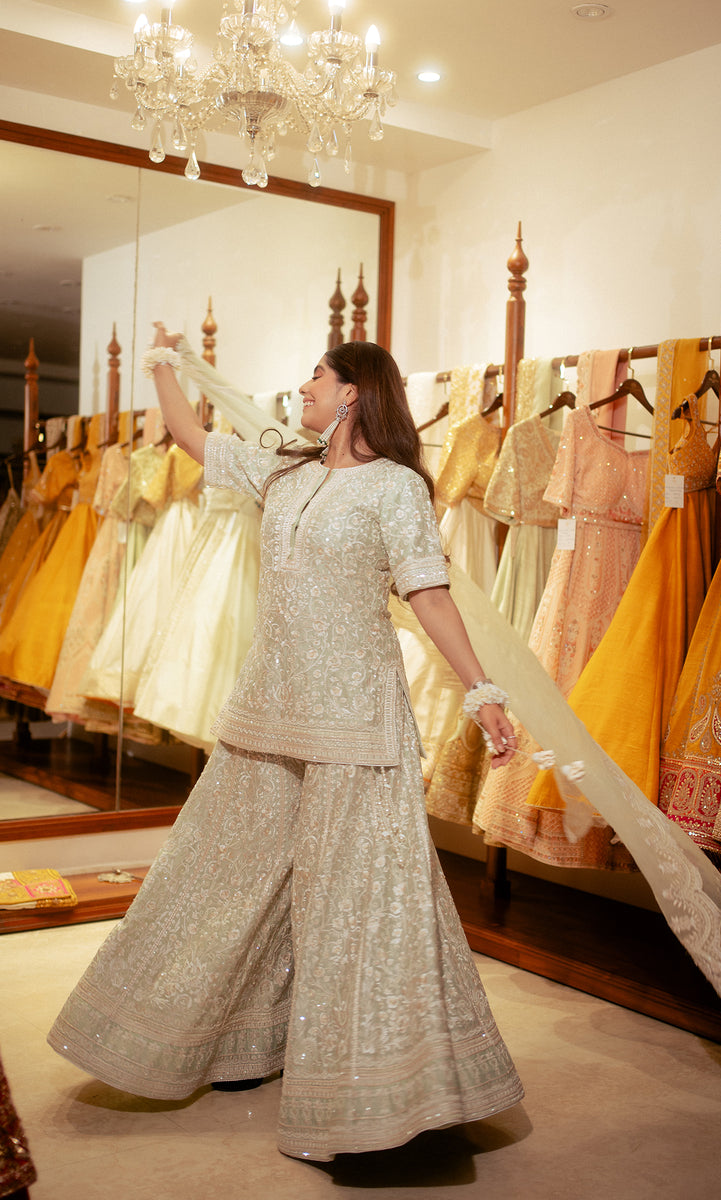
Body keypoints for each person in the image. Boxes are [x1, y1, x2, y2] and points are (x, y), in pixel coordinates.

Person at [48, 325, 524, 1163]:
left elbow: (431, 594)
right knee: (223, 870)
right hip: (267, 708)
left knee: (359, 905)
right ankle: (238, 1036)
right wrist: (165, 366)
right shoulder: (286, 470)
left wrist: (481, 691)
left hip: (353, 719)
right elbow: (196, 441)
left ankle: (390, 1102)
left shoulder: (396, 490)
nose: (302, 387)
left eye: (315, 375)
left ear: (352, 393)